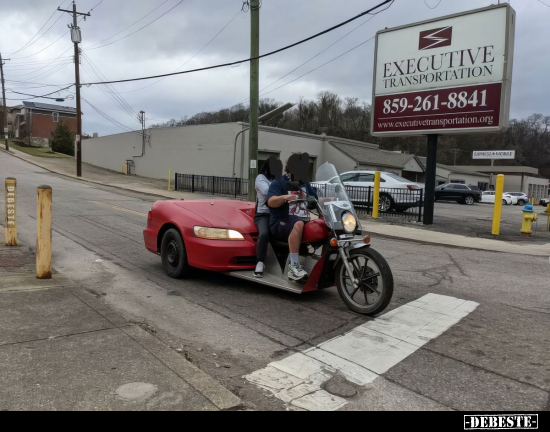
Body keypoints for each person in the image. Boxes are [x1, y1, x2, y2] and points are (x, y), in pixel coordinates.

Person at [267, 157, 318, 282]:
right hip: (280, 221)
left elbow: (316, 199)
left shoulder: (305, 184)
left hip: (302, 221)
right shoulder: (279, 182)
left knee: (321, 225)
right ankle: (293, 267)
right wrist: (284, 197)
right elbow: (271, 202)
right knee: (298, 223)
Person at [254, 161, 275, 277]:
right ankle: (260, 262)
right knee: (264, 233)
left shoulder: (277, 180)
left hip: (277, 214)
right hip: (263, 215)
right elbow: (266, 191)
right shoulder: (260, 178)